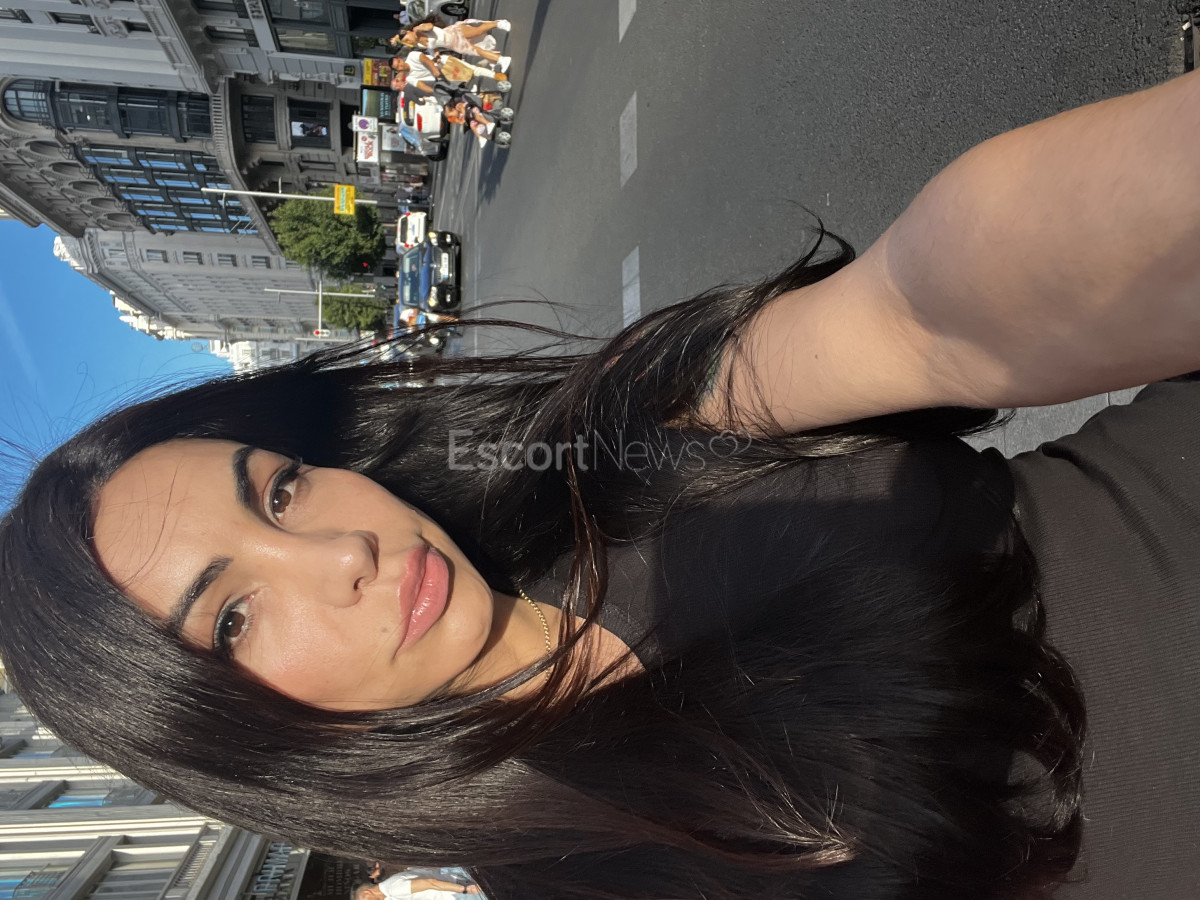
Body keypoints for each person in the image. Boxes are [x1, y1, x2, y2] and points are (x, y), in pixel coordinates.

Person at [3, 64, 1200, 900]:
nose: (341, 553)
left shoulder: (605, 447)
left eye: (277, 491)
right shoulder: (572, 876)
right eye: (232, 616)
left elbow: (926, 310)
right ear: (225, 736)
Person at [389, 19, 512, 73]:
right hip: (454, 45)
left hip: (454, 33)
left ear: (409, 32)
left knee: (478, 31)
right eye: (407, 41)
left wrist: (418, 30)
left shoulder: (418, 29)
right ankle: (501, 59)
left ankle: (498, 23)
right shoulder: (420, 44)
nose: (409, 41)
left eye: (407, 38)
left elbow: (430, 26)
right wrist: (435, 56)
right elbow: (434, 47)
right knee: (477, 51)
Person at [354, 871, 481, 899]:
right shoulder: (389, 893)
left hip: (457, 894)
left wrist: (465, 889)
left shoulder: (393, 888)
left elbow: (431, 883)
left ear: (367, 893)